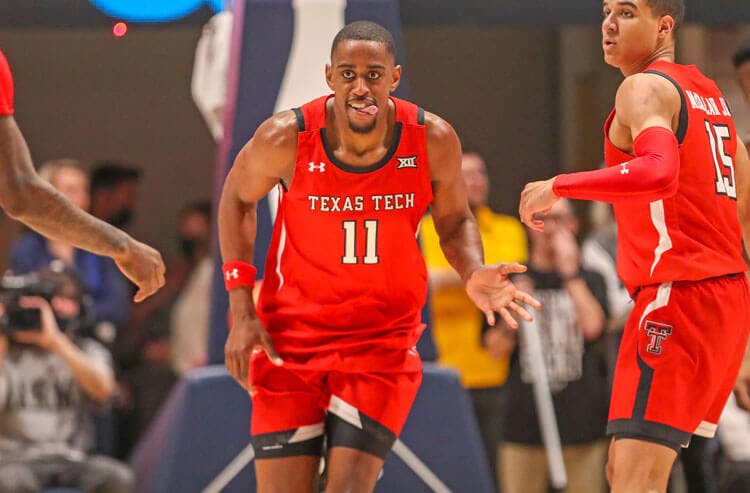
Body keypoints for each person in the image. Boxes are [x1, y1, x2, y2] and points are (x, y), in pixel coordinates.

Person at [219, 21, 540, 493]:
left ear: (394, 77)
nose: (360, 87)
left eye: (374, 74)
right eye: (348, 74)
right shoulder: (286, 136)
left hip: (381, 341)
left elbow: (454, 221)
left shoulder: (432, 138)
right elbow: (236, 200)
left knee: (349, 487)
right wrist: (241, 308)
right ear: (329, 77)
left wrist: (472, 270)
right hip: (293, 337)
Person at [518, 1, 750, 492]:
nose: (608, 22)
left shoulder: (643, 86)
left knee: (634, 479)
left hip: (677, 296)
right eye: (606, 10)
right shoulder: (711, 98)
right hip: (725, 300)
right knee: (630, 470)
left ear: (664, 26)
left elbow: (657, 172)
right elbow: (745, 206)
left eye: (626, 12)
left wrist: (558, 184)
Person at [0, 49, 164, 302]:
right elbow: (21, 193)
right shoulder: (28, 248)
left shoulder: (94, 253)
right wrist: (125, 247)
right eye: (67, 189)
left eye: (81, 190)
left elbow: (115, 309)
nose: (76, 197)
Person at [419, 151, 527, 488]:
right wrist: (476, 276)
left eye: (481, 173)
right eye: (467, 175)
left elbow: (516, 280)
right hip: (440, 369)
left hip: (492, 368)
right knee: (439, 468)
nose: (477, 181)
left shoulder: (508, 228)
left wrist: (455, 276)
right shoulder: (424, 228)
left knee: (489, 469)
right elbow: (420, 283)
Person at [489, 198, 609, 493]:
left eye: (558, 219)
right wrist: (513, 309)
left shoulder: (591, 277)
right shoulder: (511, 280)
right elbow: (494, 349)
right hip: (524, 427)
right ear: (530, 227)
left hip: (583, 426)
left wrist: (570, 274)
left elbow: (593, 328)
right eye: (541, 219)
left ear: (573, 225)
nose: (549, 229)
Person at [0, 267, 134, 492]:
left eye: (68, 300)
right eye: (53, 300)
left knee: (119, 477)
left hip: (73, 459)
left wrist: (55, 342)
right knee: (9, 481)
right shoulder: (8, 353)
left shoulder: (87, 350)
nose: (59, 308)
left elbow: (104, 390)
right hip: (15, 460)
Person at [9, 159, 129, 334]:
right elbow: (19, 303)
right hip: (39, 344)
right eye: (71, 190)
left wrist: (78, 311)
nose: (80, 199)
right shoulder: (27, 248)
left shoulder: (101, 247)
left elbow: (118, 307)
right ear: (46, 194)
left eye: (84, 191)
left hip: (90, 344)